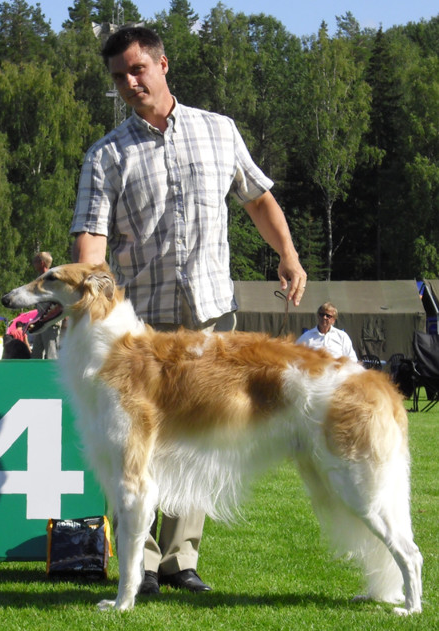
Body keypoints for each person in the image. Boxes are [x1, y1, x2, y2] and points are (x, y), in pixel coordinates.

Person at [71, 26, 307, 596]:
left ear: (162, 64)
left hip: (207, 321)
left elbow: (257, 197)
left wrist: (288, 254)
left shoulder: (219, 131)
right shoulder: (106, 155)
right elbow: (92, 243)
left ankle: (181, 558)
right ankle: (141, 566)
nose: (129, 84)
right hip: (141, 335)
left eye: (136, 70)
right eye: (118, 78)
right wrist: (88, 297)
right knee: (132, 444)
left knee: (198, 439)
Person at [30, 252, 61, 359]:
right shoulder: (39, 278)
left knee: (51, 353)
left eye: (35, 262)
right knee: (36, 354)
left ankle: (52, 376)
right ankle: (34, 375)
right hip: (40, 321)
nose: (33, 264)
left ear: (42, 263)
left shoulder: (53, 278)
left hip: (51, 322)